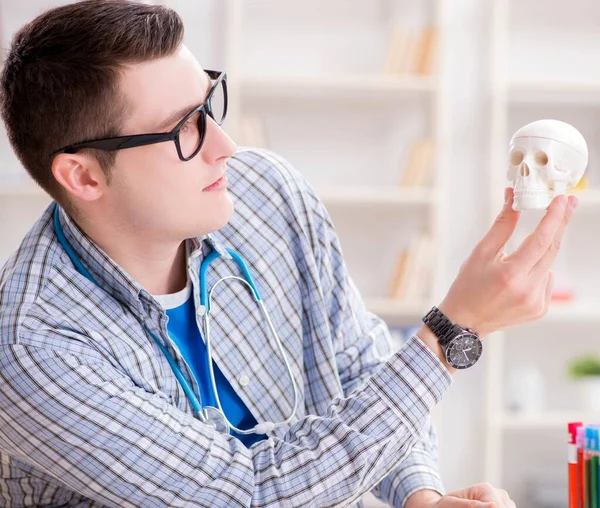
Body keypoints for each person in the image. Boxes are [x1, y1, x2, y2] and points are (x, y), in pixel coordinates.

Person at [0, 1, 577, 507]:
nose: (224, 147)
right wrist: (453, 331)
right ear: (82, 176)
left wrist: (418, 494)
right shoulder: (33, 349)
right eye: (183, 131)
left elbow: (355, 365)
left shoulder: (266, 192)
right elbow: (250, 493)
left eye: (209, 104)